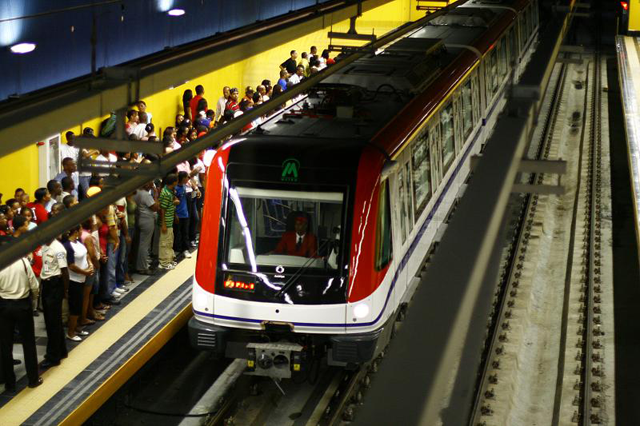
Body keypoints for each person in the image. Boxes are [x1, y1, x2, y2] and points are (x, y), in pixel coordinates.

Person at [0, 236, 42, 391]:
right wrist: (33, 303)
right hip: (23, 305)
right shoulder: (23, 262)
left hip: (4, 307)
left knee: (6, 345)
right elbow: (34, 286)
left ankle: (10, 383)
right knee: (29, 343)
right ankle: (33, 379)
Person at [39, 232, 69, 368]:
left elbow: (64, 272)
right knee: (53, 320)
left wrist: (65, 291)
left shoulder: (58, 249)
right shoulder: (45, 246)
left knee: (52, 322)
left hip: (54, 285)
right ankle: (61, 350)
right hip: (46, 283)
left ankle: (53, 356)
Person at [62, 226, 94, 341]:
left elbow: (86, 254)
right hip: (73, 280)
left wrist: (90, 265)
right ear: (75, 232)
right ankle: (70, 332)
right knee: (75, 307)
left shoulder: (79, 241)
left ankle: (76, 328)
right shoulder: (67, 246)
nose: (82, 231)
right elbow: (71, 265)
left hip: (82, 279)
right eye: (80, 230)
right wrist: (84, 272)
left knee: (79, 305)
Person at [134, 183, 158, 274]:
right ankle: (143, 267)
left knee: (140, 243)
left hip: (139, 218)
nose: (152, 184)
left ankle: (139, 264)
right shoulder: (145, 194)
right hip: (147, 219)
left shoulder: (136, 192)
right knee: (145, 244)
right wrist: (155, 194)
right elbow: (155, 207)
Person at [159, 174, 179, 270]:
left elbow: (170, 205)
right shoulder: (165, 193)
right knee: (164, 242)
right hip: (166, 221)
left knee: (169, 241)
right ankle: (164, 262)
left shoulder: (169, 191)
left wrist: (175, 215)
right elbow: (162, 209)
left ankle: (169, 259)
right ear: (174, 182)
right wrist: (163, 223)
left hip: (170, 219)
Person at [173, 172, 191, 259]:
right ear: (182, 178)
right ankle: (177, 249)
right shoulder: (175, 188)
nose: (188, 178)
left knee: (185, 233)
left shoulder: (184, 186)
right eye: (186, 177)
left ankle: (185, 249)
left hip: (185, 213)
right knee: (177, 233)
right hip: (178, 214)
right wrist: (175, 214)